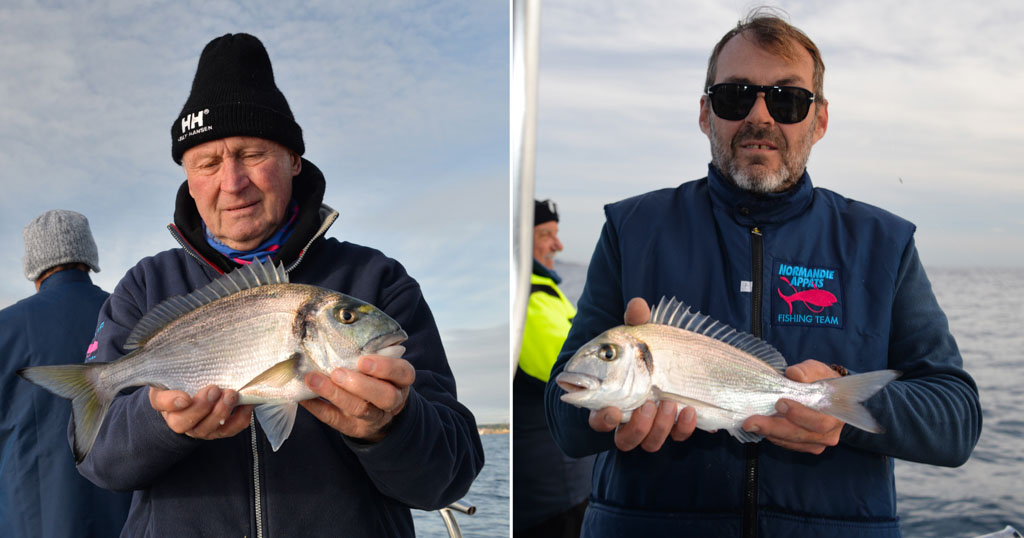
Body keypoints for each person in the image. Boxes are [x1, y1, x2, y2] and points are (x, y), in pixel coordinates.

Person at [544, 10, 982, 538]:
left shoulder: (883, 243)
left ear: (819, 120)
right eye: (734, 96)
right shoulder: (632, 229)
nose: (760, 116)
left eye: (787, 99)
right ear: (705, 113)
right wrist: (608, 414)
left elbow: (957, 421)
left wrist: (840, 409)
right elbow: (563, 417)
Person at [73, 33, 484, 537]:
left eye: (251, 154)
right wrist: (161, 423)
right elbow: (97, 462)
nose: (232, 182)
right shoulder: (144, 286)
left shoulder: (379, 281)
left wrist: (392, 426)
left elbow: (450, 474)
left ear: (293, 159)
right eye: (208, 163)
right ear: (188, 177)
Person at [0, 210, 132, 537]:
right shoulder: (127, 316)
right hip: (128, 515)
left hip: (30, 518)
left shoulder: (5, 328)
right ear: (89, 256)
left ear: (33, 266)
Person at [514, 199, 593, 537]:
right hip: (552, 501)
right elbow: (587, 376)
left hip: (567, 488)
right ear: (518, 240)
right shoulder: (528, 302)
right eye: (545, 234)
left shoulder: (542, 290)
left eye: (555, 234)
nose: (557, 245)